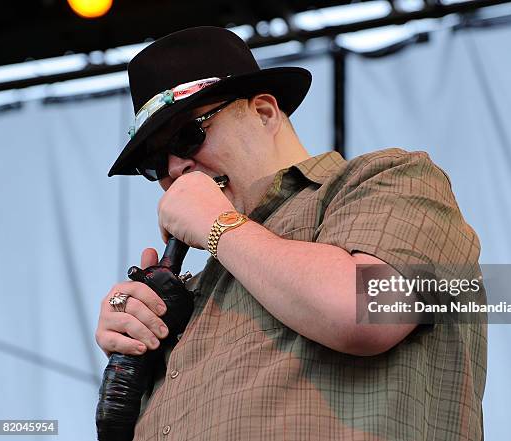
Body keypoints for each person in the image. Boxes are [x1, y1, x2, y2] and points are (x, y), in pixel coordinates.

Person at [95, 26, 486, 440]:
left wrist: (218, 226)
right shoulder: (200, 283)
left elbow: (366, 311)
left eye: (189, 136)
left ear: (264, 113)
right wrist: (134, 345)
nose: (175, 169)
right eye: (155, 163)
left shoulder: (390, 177)